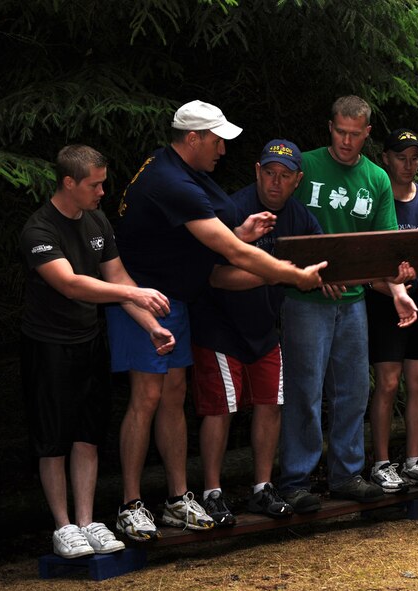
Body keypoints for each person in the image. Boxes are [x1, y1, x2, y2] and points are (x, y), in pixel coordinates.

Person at [108, 100, 326, 541]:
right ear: (193, 138)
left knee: (173, 396)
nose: (223, 150)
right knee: (145, 398)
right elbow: (232, 254)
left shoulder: (182, 169)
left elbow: (201, 238)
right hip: (141, 298)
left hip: (175, 300)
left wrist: (239, 233)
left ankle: (177, 499)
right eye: (217, 140)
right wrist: (293, 274)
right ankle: (130, 504)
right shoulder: (171, 181)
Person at [19, 145, 175, 558]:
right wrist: (134, 293)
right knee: (53, 440)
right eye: (95, 185)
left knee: (88, 435)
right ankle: (63, 526)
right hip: (48, 345)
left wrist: (152, 326)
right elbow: (71, 284)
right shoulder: (39, 230)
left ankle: (87, 523)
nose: (103, 192)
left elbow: (117, 277)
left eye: (103, 183)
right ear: (69, 182)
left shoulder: (97, 220)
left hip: (90, 341)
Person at [278, 95, 418, 513]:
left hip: (354, 300)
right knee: (304, 391)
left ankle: (347, 474)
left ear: (367, 133)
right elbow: (282, 227)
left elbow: (384, 250)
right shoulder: (304, 167)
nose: (346, 141)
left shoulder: (376, 178)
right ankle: (296, 480)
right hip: (303, 297)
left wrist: (398, 290)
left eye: (355, 134)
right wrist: (314, 274)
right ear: (330, 127)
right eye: (340, 131)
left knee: (353, 391)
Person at [189, 139, 323, 525]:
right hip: (220, 326)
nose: (275, 182)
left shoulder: (300, 217)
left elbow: (324, 258)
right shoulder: (231, 209)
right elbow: (217, 277)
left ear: (297, 180)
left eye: (284, 175)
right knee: (220, 409)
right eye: (269, 173)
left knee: (269, 403)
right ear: (257, 171)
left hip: (264, 326)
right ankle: (212, 493)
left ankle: (262, 488)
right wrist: (275, 272)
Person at [366, 129, 418, 492]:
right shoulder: (376, 198)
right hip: (383, 301)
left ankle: (413, 460)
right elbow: (363, 256)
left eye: (414, 158)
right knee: (388, 381)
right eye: (401, 157)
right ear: (385, 158)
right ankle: (381, 463)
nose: (408, 165)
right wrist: (382, 285)